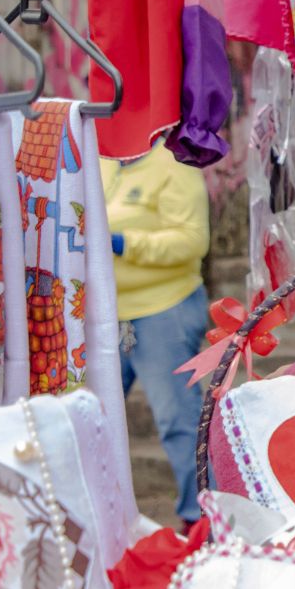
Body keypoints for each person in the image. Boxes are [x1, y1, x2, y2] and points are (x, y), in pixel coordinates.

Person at [101, 142, 211, 528]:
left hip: (164, 309)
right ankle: (97, 516)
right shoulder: (101, 159)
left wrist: (125, 244)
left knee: (177, 419)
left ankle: (202, 519)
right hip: (107, 315)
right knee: (90, 417)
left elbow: (194, 239)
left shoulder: (174, 162)